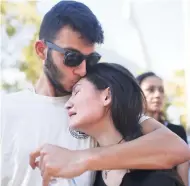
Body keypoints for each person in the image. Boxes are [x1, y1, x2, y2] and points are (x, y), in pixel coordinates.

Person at [1, 1, 189, 186]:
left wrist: (80, 159)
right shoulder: (6, 111)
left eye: (91, 59)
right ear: (42, 50)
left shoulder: (94, 109)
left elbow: (176, 148)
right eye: (72, 57)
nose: (83, 70)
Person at [32, 63, 185, 186]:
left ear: (107, 96)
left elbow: (180, 148)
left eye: (76, 92)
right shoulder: (95, 175)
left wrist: (77, 159)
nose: (67, 104)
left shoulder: (156, 180)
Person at [136, 72, 189, 186]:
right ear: (137, 94)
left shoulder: (177, 131)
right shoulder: (128, 130)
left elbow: (183, 176)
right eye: (151, 90)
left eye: (161, 90)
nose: (157, 95)